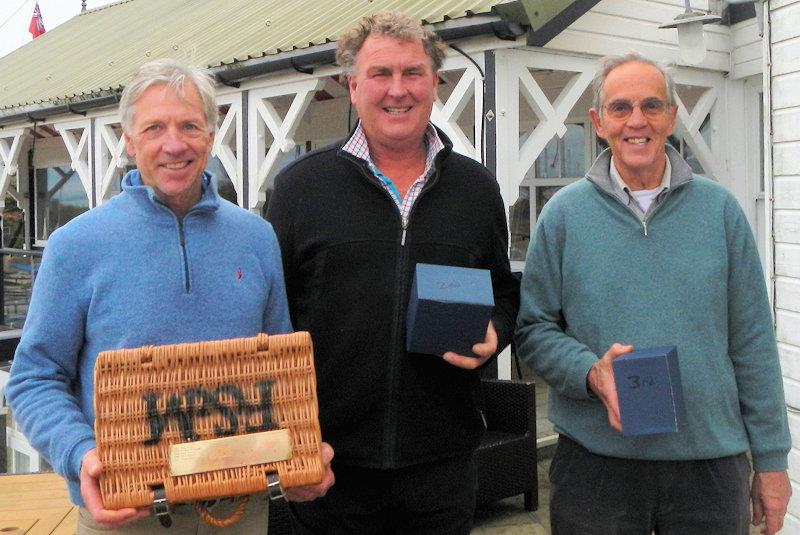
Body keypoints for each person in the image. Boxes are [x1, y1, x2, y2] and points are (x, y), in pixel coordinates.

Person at [6, 58, 333, 535]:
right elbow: (33, 378)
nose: (174, 144)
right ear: (128, 139)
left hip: (240, 511)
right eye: (154, 127)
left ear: (211, 134)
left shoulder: (257, 238)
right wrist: (81, 455)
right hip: (126, 515)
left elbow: (281, 376)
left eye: (189, 126)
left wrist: (303, 450)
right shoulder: (75, 245)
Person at [515, 52, 791, 535]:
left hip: (710, 468)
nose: (636, 121)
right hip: (595, 469)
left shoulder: (720, 212)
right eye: (620, 108)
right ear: (598, 123)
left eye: (651, 106)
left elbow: (753, 343)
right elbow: (534, 330)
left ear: (672, 116)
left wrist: (771, 461)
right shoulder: (563, 215)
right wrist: (590, 373)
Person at [266, 11, 519, 535]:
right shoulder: (300, 188)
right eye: (380, 74)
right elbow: (273, 319)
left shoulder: (476, 189)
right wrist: (288, 438)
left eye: (412, 73)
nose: (397, 90)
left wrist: (496, 329)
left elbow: (503, 290)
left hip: (443, 464)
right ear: (353, 86)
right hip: (330, 464)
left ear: (435, 82)